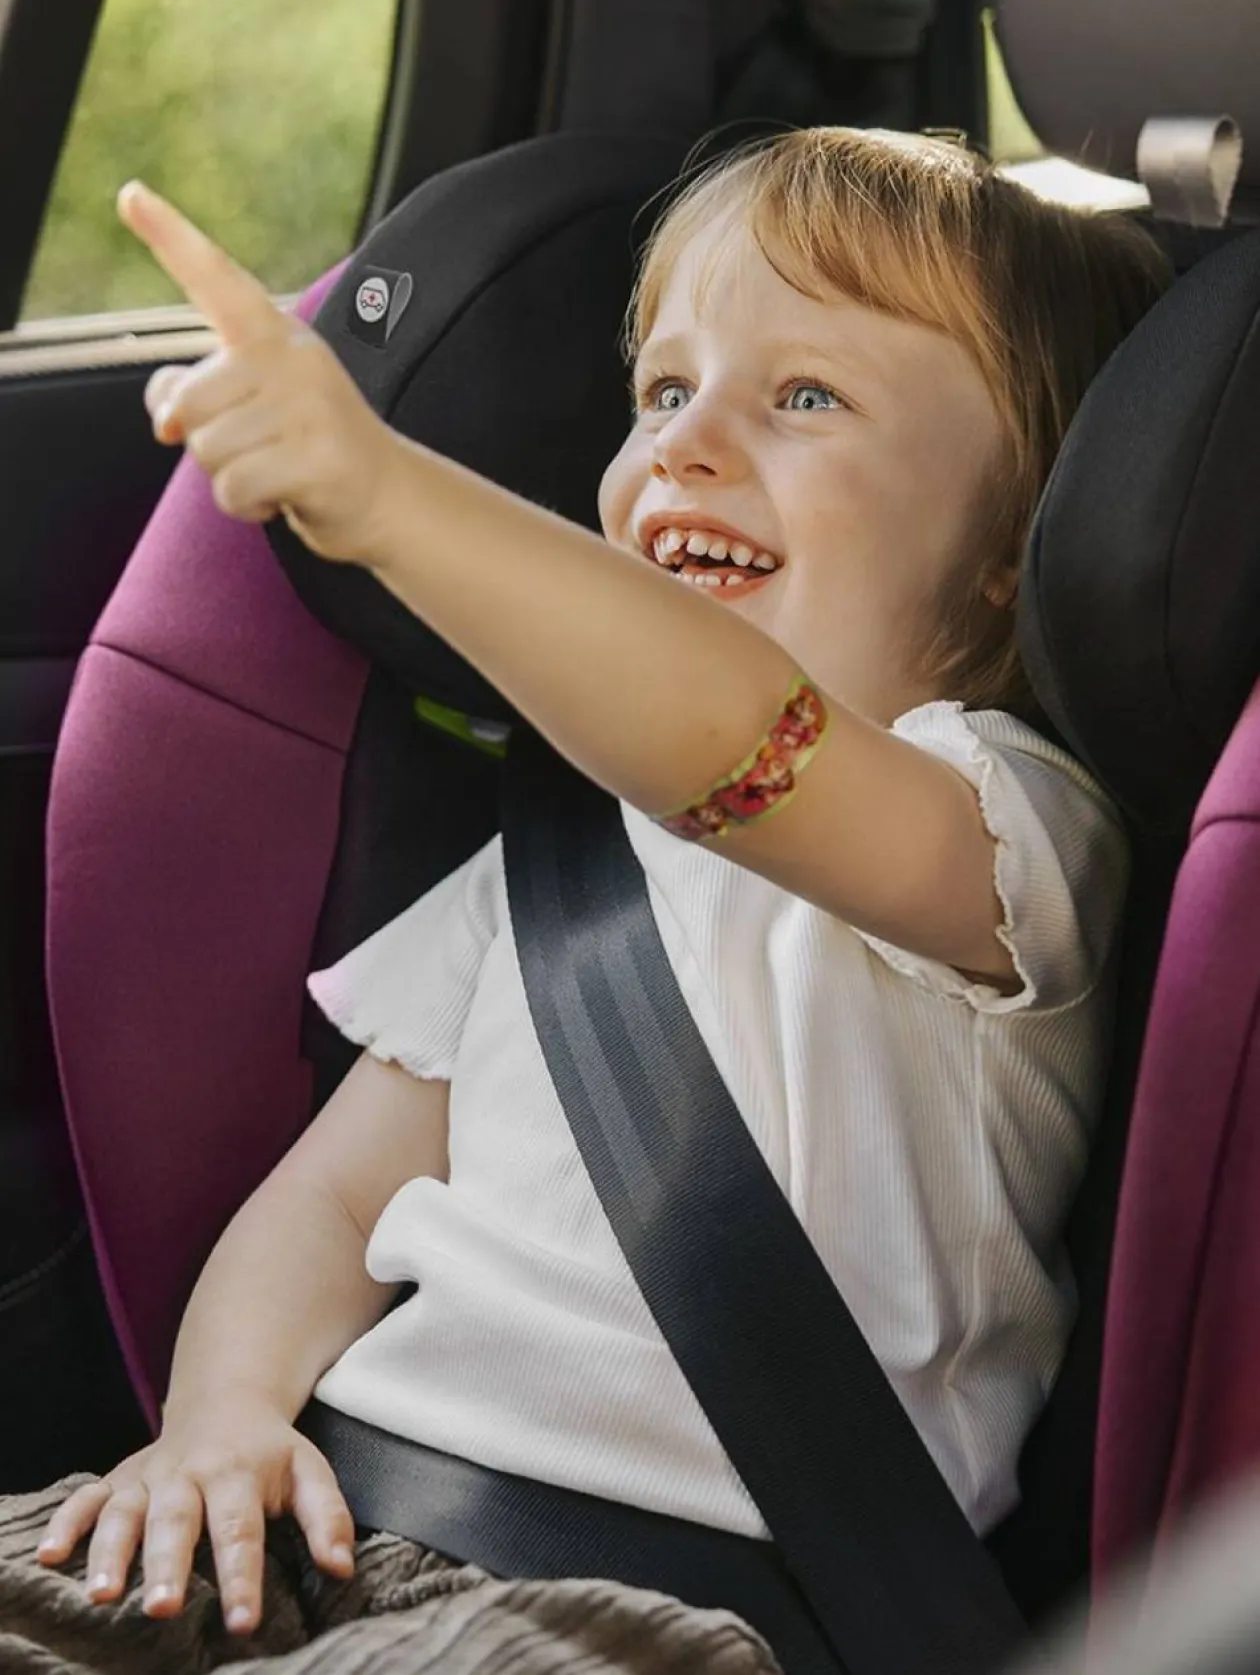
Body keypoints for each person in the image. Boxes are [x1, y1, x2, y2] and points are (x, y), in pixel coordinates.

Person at [1, 129, 1170, 1674]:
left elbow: (731, 737)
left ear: (1018, 539)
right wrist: (217, 1424)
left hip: (645, 1613)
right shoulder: (545, 868)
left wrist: (391, 497)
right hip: (329, 1528)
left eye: (805, 397)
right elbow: (331, 1199)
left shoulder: (1007, 831)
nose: (688, 444)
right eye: (663, 390)